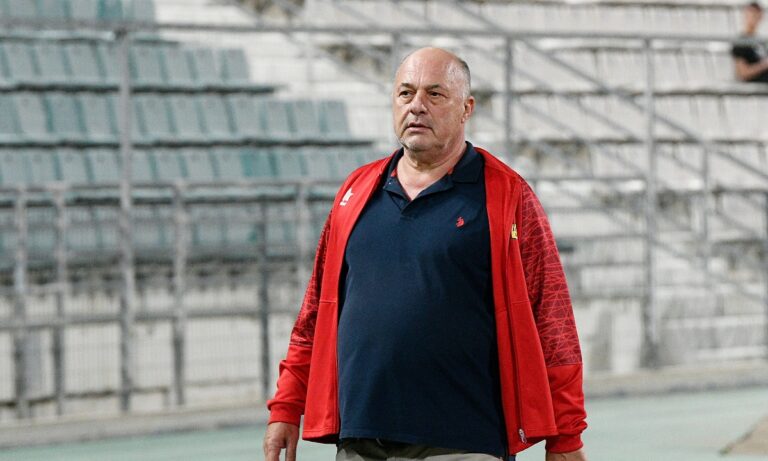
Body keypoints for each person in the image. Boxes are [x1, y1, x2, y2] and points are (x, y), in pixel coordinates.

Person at [263, 47, 588, 461]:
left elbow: (553, 319)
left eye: (435, 94)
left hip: (464, 442)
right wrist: (287, 405)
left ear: (467, 108)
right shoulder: (355, 192)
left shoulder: (507, 196)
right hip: (361, 440)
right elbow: (315, 312)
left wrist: (566, 437)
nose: (417, 106)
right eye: (406, 93)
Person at [732, 1, 768, 83]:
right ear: (745, 15)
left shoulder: (761, 42)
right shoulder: (740, 42)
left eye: (756, 14)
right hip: (756, 85)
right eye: (751, 14)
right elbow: (743, 74)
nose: (753, 17)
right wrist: (764, 65)